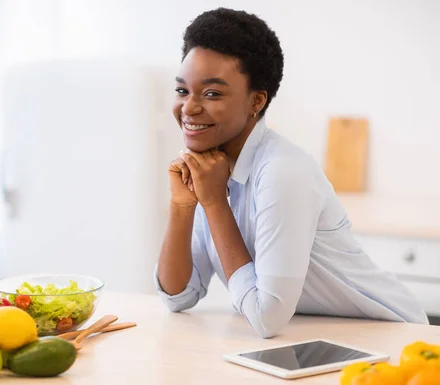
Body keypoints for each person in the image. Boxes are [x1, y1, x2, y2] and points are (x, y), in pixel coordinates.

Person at [154, 7, 428, 338]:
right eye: (183, 90)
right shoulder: (211, 166)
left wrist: (214, 203)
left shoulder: (283, 172)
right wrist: (183, 205)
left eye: (212, 93)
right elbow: (179, 296)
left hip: (390, 336)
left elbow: (267, 317)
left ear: (256, 101)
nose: (189, 107)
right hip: (311, 336)